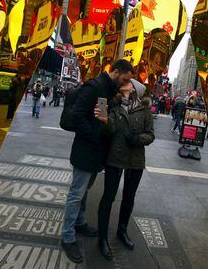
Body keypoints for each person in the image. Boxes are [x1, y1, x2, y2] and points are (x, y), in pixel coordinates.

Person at [61, 60, 134, 264]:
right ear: (116, 72)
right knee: (76, 194)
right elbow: (78, 117)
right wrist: (95, 135)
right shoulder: (95, 86)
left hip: (95, 154)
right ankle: (67, 237)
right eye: (125, 79)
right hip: (85, 151)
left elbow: (100, 119)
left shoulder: (107, 90)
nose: (125, 83)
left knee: (83, 191)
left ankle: (80, 221)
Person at [97, 79, 154, 260]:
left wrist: (137, 139)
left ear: (135, 88)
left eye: (128, 81)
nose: (124, 82)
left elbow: (151, 135)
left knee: (129, 198)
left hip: (135, 161)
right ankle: (102, 238)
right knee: (108, 197)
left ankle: (122, 230)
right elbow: (110, 130)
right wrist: (105, 122)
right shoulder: (114, 104)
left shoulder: (144, 109)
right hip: (115, 158)